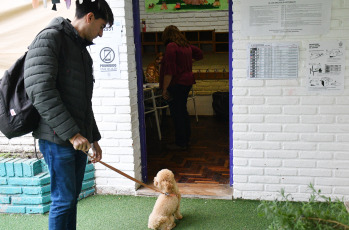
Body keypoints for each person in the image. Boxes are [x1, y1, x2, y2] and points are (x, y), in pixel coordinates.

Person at [23, 1, 113, 229]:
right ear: (90, 17)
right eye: (102, 27)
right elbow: (40, 90)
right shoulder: (50, 38)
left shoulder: (82, 52)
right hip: (57, 139)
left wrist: (93, 137)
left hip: (77, 140)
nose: (101, 34)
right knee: (63, 201)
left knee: (70, 199)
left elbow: (83, 101)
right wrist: (73, 134)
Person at [160, 25, 203, 150]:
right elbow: (200, 54)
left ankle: (180, 142)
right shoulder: (186, 46)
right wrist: (189, 61)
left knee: (176, 113)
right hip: (187, 82)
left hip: (176, 83)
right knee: (182, 111)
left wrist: (164, 88)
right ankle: (185, 139)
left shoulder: (171, 46)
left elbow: (169, 71)